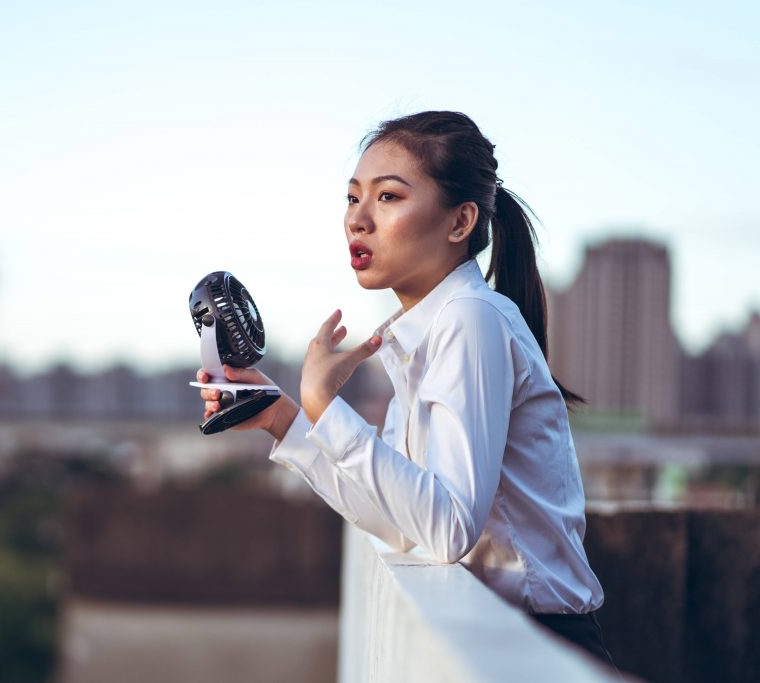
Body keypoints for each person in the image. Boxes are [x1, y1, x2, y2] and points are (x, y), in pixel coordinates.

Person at [196, 111, 616, 670]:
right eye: (351, 199)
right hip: (499, 643)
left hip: (540, 647)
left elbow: (448, 530)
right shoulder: (421, 337)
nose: (358, 221)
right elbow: (400, 523)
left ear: (460, 221)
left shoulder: (471, 319)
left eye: (388, 197)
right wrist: (287, 421)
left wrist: (327, 406)